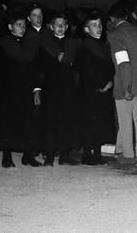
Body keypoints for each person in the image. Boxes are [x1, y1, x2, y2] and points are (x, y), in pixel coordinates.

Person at [108, 2, 137, 166]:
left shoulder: (115, 35)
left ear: (112, 18)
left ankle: (128, 155)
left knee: (125, 121)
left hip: (126, 84)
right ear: (126, 16)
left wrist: (127, 87)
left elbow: (123, 62)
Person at [0, 10, 43, 168]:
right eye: (19, 25)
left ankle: (28, 155)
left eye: (24, 25)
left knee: (29, 122)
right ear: (10, 27)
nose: (22, 28)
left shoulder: (28, 42)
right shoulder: (5, 42)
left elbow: (35, 66)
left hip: (26, 87)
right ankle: (6, 155)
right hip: (9, 88)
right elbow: (18, 58)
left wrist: (36, 88)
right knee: (9, 122)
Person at [39, 12, 80, 166]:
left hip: (67, 86)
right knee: (51, 120)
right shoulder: (46, 43)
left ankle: (64, 154)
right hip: (51, 86)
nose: (61, 27)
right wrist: (61, 60)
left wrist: (65, 60)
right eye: (58, 24)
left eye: (63, 24)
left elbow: (74, 64)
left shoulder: (72, 43)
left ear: (67, 27)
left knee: (66, 120)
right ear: (51, 26)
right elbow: (44, 65)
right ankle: (49, 155)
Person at [76, 11, 115, 166]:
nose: (98, 28)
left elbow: (109, 67)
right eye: (94, 25)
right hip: (90, 91)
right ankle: (87, 153)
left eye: (99, 25)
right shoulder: (85, 47)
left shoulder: (104, 46)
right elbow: (86, 70)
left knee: (100, 122)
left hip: (104, 90)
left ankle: (97, 152)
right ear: (86, 29)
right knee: (89, 122)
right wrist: (100, 85)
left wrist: (110, 82)